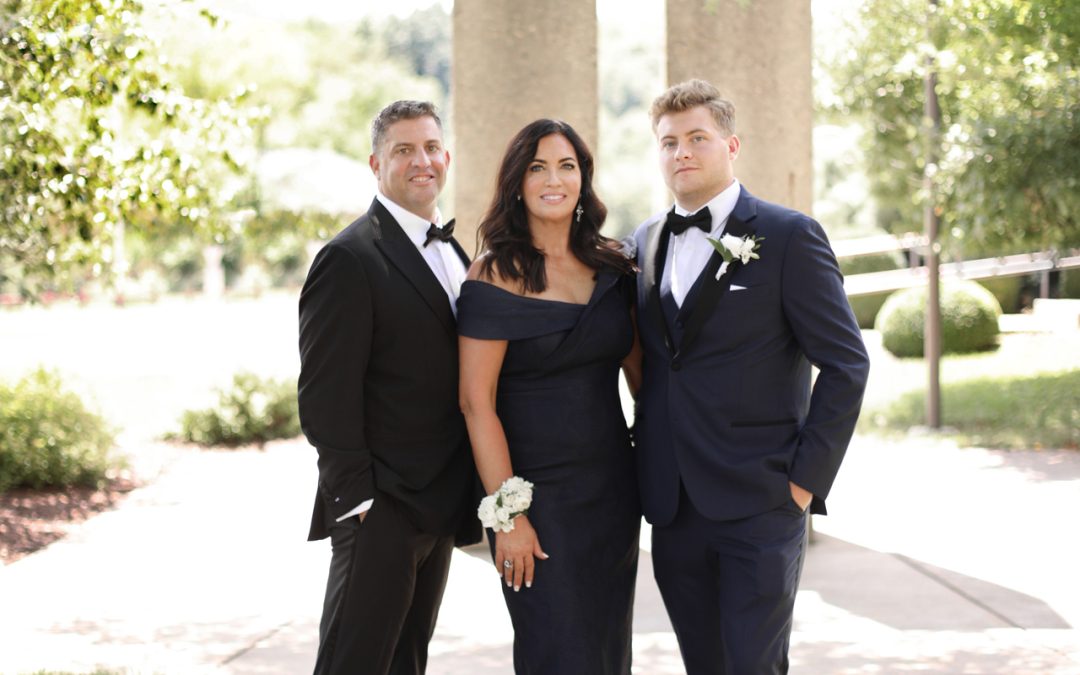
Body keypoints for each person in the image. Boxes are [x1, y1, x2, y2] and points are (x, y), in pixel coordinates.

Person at [631, 79, 870, 674]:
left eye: (697, 138)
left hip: (761, 500)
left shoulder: (789, 236)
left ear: (731, 146)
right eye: (668, 142)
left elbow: (846, 363)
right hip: (673, 506)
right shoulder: (645, 241)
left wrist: (804, 483)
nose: (682, 152)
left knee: (753, 665)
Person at [297, 99, 480, 675]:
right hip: (381, 509)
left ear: (446, 157)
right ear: (376, 164)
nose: (421, 161)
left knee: (406, 663)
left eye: (431, 147)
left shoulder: (454, 251)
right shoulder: (348, 258)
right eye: (403, 150)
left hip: (438, 503)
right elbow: (324, 396)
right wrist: (360, 504)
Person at [457, 119, 641, 674]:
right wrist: (508, 517)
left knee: (607, 652)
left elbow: (646, 383)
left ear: (583, 179)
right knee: (556, 652)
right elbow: (476, 403)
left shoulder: (614, 268)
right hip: (535, 501)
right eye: (537, 168)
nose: (553, 180)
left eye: (566, 166)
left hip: (612, 496)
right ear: (517, 183)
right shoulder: (492, 275)